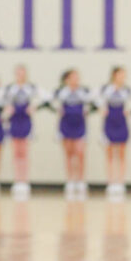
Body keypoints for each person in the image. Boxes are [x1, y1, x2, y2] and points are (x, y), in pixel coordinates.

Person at [50, 69, 94, 199]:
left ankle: (80, 181)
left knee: (80, 153)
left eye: (77, 77)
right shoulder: (61, 92)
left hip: (79, 124)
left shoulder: (84, 91)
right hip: (66, 124)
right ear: (67, 79)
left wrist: (89, 110)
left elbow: (96, 102)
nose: (76, 79)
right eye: (73, 77)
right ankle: (70, 180)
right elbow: (48, 101)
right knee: (69, 153)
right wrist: (56, 109)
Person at [4, 64, 42, 198]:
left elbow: (45, 98)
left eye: (22, 73)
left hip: (25, 120)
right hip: (14, 120)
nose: (20, 76)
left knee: (24, 152)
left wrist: (34, 106)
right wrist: (7, 109)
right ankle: (17, 180)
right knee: (16, 152)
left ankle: (24, 181)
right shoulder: (10, 89)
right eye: (18, 73)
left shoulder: (31, 88)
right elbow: (2, 101)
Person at [97, 66, 131, 197]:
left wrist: (130, 111)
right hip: (110, 122)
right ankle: (111, 182)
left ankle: (121, 182)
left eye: (124, 75)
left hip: (121, 122)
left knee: (122, 153)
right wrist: (101, 109)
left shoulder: (127, 90)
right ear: (114, 75)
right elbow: (95, 100)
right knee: (110, 153)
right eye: (120, 75)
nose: (123, 77)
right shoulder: (106, 89)